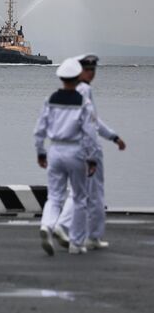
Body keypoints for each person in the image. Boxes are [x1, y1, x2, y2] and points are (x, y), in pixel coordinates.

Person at [54, 54, 126, 250]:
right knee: (93, 192)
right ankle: (84, 233)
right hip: (88, 146)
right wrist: (110, 138)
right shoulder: (85, 90)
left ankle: (80, 231)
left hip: (69, 146)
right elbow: (92, 122)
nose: (92, 73)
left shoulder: (71, 90)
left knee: (80, 191)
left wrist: (112, 136)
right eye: (89, 70)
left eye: (93, 70)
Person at [34, 58, 99, 256]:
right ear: (78, 77)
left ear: (61, 77)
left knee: (54, 196)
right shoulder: (84, 102)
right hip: (75, 150)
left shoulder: (50, 99)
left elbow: (39, 129)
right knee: (79, 197)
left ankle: (47, 225)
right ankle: (76, 243)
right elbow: (89, 133)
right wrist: (92, 157)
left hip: (54, 150)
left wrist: (40, 151)